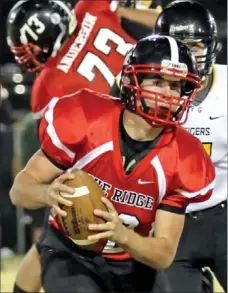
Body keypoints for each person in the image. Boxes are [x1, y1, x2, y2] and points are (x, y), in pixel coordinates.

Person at [10, 35, 215, 292]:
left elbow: (163, 254)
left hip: (133, 261)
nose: (168, 94)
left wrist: (122, 235)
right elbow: (19, 190)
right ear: (131, 80)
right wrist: (46, 193)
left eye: (176, 86)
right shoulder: (86, 118)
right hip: (73, 254)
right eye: (158, 81)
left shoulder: (185, 155)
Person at [6, 1, 160, 292]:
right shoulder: (90, 7)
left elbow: (60, 144)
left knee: (62, 230)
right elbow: (164, 22)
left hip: (109, 148)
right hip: (155, 123)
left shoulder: (48, 83)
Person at [152, 1, 227, 292]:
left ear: (211, 46)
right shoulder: (141, 86)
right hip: (169, 225)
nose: (187, 55)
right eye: (177, 45)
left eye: (195, 45)